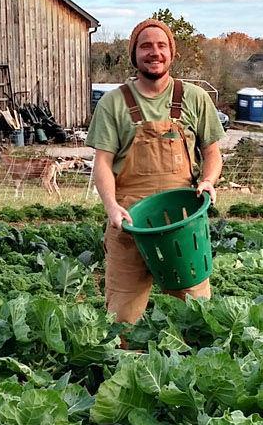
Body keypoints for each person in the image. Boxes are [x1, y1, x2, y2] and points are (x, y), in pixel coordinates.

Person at [89, 18, 225, 323]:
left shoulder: (194, 98)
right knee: (120, 320)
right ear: (134, 53)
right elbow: (102, 163)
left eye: (161, 45)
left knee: (196, 317)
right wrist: (111, 206)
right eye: (146, 45)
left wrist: (207, 180)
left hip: (182, 224)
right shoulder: (113, 103)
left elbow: (212, 152)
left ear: (172, 53)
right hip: (129, 223)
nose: (154, 52)